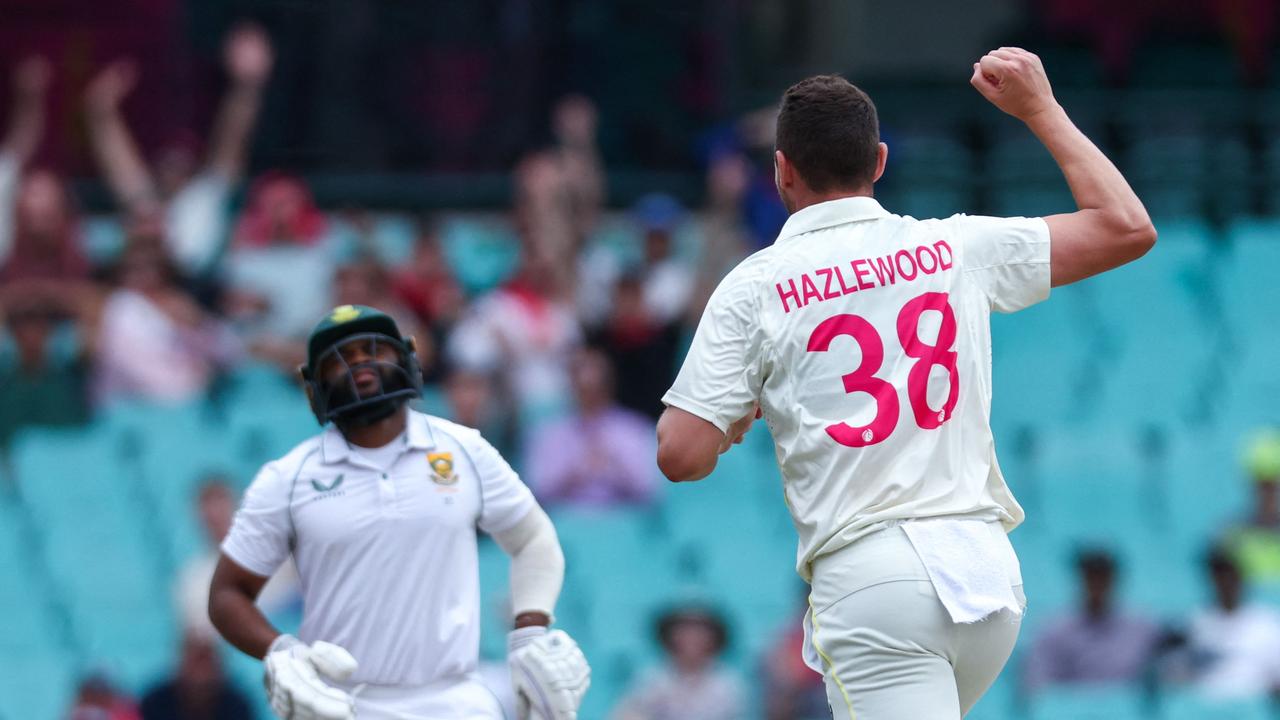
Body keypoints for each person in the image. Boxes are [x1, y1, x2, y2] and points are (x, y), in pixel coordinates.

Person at [655, 48, 1156, 720]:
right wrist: (1042, 109)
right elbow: (1126, 228)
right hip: (984, 574)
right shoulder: (954, 247)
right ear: (880, 162)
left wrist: (736, 418)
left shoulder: (756, 285)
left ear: (781, 172)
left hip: (874, 583)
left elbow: (680, 454)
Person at [208, 304, 590, 719]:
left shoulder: (465, 449)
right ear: (314, 386)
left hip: (457, 701)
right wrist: (282, 651)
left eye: (372, 350)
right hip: (340, 705)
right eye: (341, 358)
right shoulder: (288, 477)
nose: (359, 364)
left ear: (406, 359)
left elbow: (533, 538)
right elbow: (227, 594)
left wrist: (529, 633)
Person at [83, 24, 273, 276]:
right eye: (167, 162)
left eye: (181, 161)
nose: (173, 166)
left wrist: (247, 88)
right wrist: (101, 109)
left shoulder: (206, 196)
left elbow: (233, 137)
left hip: (196, 297)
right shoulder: (149, 206)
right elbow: (116, 157)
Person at [524, 348, 658, 507]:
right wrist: (576, 471)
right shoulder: (548, 433)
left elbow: (649, 490)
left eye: (597, 390)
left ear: (609, 387)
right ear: (572, 387)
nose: (590, 397)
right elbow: (537, 490)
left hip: (623, 522)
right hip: (565, 521)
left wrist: (613, 465)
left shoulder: (635, 429)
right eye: (583, 390)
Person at [174, 478, 299, 639]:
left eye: (222, 507)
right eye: (211, 515)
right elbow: (203, 642)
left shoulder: (282, 554)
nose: (217, 519)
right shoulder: (192, 582)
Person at [1023, 549, 1161, 692]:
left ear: (1114, 579)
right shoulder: (1053, 631)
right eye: (1091, 577)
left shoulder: (1143, 629)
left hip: (1128, 712)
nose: (1097, 584)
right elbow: (1036, 683)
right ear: (1081, 579)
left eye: (1103, 577)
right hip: (1070, 711)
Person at [1165, 548, 1280, 699]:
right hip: (1203, 708)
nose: (1226, 583)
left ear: (1242, 579)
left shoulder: (1267, 623)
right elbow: (1175, 674)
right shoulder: (1192, 623)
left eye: (1230, 576)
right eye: (1220, 577)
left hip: (1253, 707)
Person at [613, 606, 746, 720]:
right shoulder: (652, 679)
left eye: (700, 631)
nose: (692, 638)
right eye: (684, 631)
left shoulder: (728, 683)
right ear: (670, 636)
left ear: (714, 638)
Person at [139, 632, 254, 720]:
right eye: (197, 662)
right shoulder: (154, 704)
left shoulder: (237, 706)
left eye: (207, 662)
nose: (201, 674)